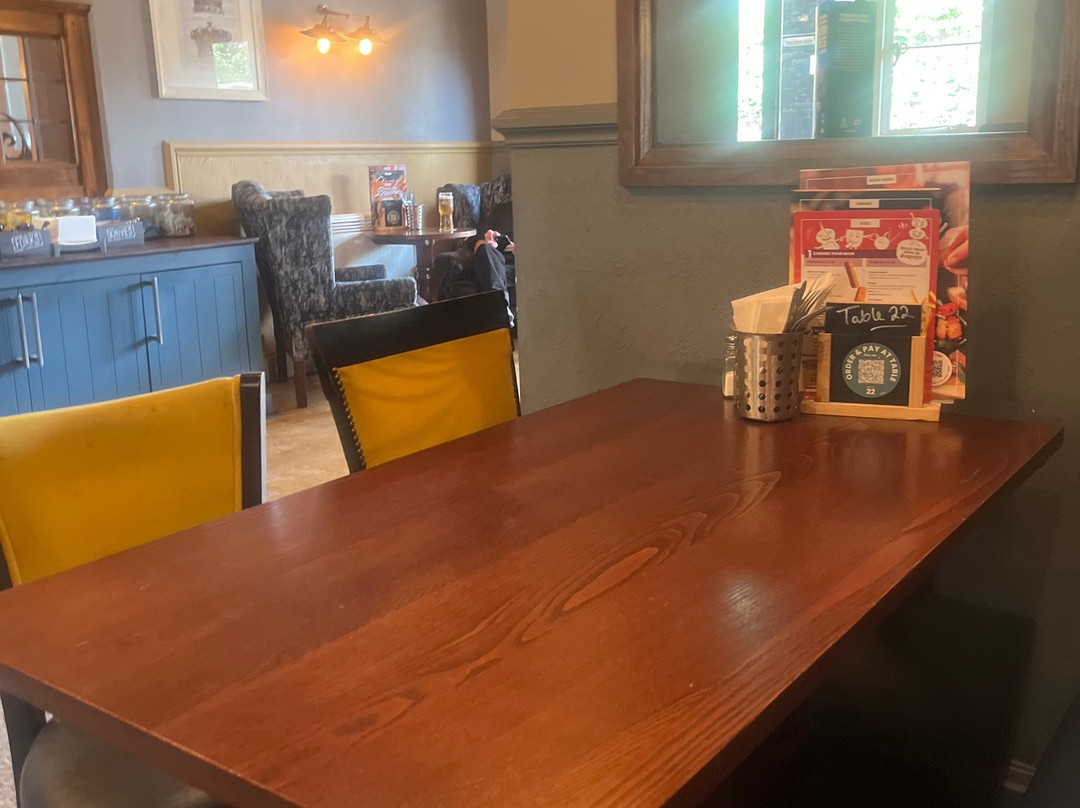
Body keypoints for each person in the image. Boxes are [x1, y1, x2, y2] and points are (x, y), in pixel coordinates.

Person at [465, 229, 515, 326]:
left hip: (517, 260)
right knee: (484, 249)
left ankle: (499, 309)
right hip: (495, 256)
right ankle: (501, 307)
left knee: (490, 271)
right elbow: (472, 242)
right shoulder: (485, 222)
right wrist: (485, 242)